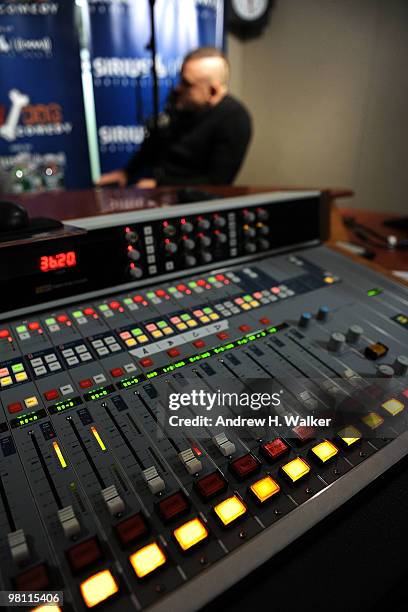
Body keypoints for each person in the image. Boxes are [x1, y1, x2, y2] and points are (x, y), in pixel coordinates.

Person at [96, 47, 252, 188]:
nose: (178, 88)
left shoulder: (235, 119)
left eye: (187, 84)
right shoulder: (182, 107)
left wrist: (159, 186)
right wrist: (127, 172)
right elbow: (153, 145)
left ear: (212, 92)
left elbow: (216, 182)